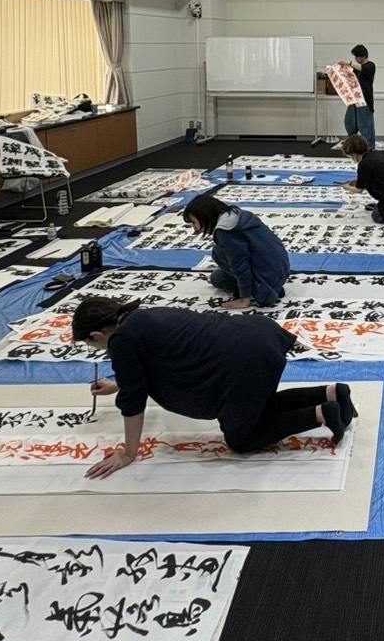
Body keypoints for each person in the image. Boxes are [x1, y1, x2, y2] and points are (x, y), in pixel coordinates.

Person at [72, 296, 356, 480]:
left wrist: (128, 453)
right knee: (256, 406)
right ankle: (331, 393)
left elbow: (133, 400)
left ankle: (321, 413)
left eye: (92, 345)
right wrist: (117, 384)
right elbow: (149, 365)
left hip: (244, 362)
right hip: (259, 335)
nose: (99, 350)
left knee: (242, 439)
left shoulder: (121, 340)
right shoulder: (140, 317)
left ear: (97, 334)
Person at [183, 193, 290, 309]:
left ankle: (263, 290)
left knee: (218, 254)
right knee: (217, 277)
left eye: (194, 222)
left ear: (204, 216)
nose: (194, 229)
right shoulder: (238, 214)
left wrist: (245, 298)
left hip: (267, 275)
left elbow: (240, 264)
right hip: (281, 269)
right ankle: (271, 285)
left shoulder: (225, 231)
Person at [341, 44, 376, 146]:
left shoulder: (370, 66)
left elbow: (361, 68)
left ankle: (369, 146)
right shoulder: (356, 67)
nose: (356, 59)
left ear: (364, 56)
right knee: (349, 122)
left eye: (357, 56)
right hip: (354, 98)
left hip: (364, 100)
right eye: (355, 57)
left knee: (365, 124)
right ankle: (352, 142)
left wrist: (349, 63)